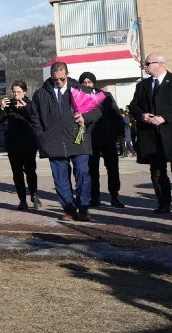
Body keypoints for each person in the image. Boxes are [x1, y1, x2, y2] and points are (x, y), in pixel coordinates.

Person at [30, 62, 102, 222]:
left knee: (83, 173)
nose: (59, 82)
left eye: (62, 79)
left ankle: (83, 208)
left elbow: (97, 110)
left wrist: (86, 118)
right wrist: (42, 137)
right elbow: (35, 118)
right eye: (56, 80)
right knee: (60, 178)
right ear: (51, 76)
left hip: (79, 140)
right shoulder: (40, 94)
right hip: (53, 142)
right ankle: (69, 209)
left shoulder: (81, 90)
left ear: (67, 74)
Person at [129, 53, 172, 214]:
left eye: (147, 63)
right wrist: (142, 115)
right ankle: (163, 203)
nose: (144, 66)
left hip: (169, 133)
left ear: (160, 64)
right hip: (151, 137)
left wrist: (165, 118)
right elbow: (133, 106)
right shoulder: (142, 85)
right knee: (157, 172)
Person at [78, 72, 125, 208]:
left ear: (94, 83)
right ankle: (95, 197)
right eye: (84, 82)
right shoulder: (77, 97)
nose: (86, 85)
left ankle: (115, 196)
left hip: (107, 136)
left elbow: (116, 114)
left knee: (112, 168)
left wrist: (119, 133)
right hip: (89, 138)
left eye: (89, 82)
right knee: (92, 169)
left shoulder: (104, 95)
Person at [0, 81, 41, 210]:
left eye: (19, 92)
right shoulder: (9, 105)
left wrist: (26, 107)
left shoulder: (31, 104)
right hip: (13, 143)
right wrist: (2, 108)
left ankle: (34, 194)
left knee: (31, 171)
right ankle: (22, 200)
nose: (16, 94)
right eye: (14, 92)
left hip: (28, 143)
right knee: (17, 173)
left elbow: (36, 118)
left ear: (24, 92)